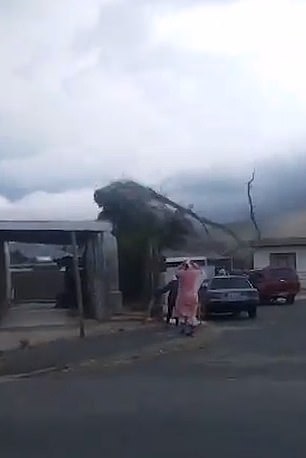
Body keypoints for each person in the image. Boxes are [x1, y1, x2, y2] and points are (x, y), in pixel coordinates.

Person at [174, 260, 203, 336]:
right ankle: (192, 329)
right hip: (193, 295)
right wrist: (195, 264)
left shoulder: (182, 273)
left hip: (183, 296)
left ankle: (185, 329)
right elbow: (200, 270)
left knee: (184, 314)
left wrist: (181, 265)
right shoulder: (195, 273)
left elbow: (176, 272)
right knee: (192, 314)